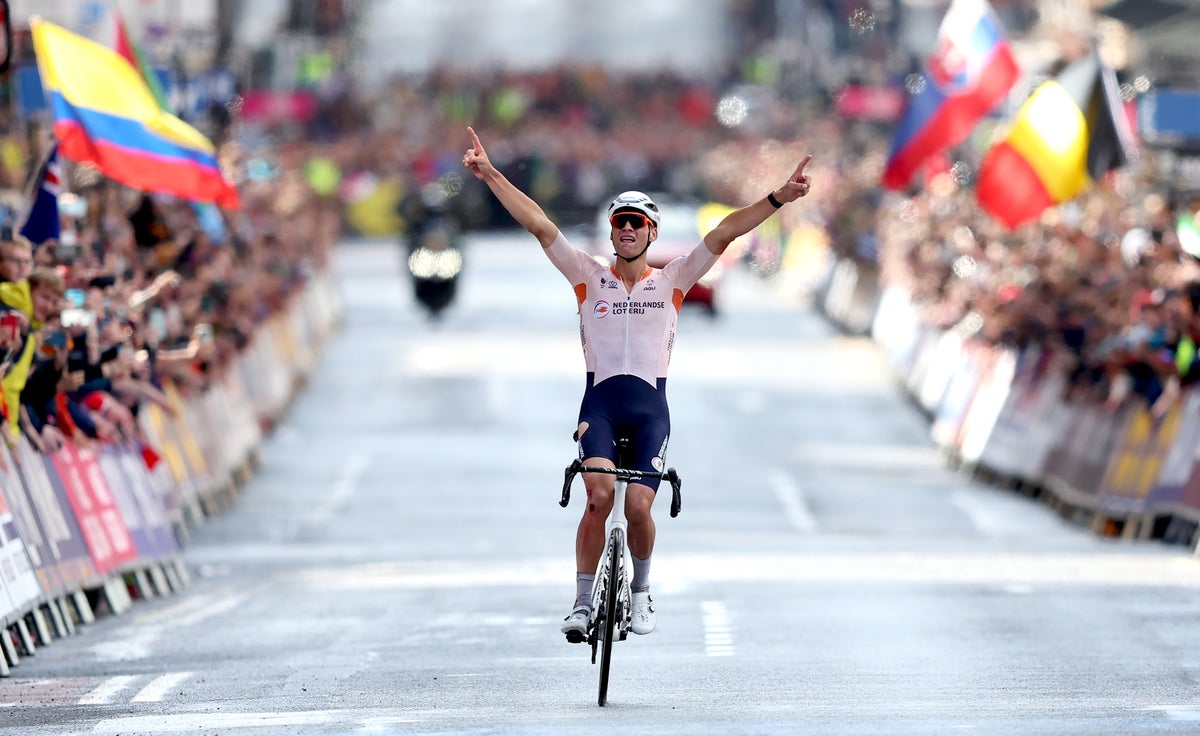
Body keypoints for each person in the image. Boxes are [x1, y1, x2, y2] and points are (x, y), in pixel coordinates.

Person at [462, 126, 813, 642]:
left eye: (637, 222)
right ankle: (582, 602)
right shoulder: (587, 275)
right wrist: (491, 174)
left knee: (639, 507)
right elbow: (538, 224)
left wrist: (779, 197)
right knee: (599, 497)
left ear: (651, 233)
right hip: (600, 408)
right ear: (611, 233)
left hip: (650, 412)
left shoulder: (673, 280)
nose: (626, 228)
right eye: (619, 222)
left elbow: (725, 233)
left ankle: (643, 590)